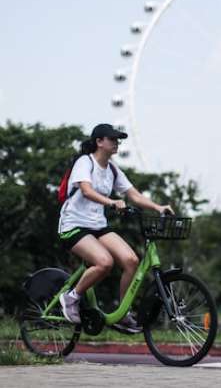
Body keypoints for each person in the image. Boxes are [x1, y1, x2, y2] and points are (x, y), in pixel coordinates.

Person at [57, 123, 174, 333]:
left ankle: (123, 312)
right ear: (99, 142)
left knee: (131, 261)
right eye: (112, 139)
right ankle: (71, 297)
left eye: (118, 140)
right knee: (104, 263)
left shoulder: (112, 169)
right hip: (73, 225)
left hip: (97, 226)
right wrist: (111, 202)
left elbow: (134, 195)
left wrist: (158, 207)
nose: (116, 143)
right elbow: (86, 190)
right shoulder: (85, 162)